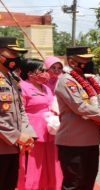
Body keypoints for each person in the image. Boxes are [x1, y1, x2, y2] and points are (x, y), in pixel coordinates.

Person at [55, 46, 100, 190]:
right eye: (85, 60)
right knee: (74, 184)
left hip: (91, 141)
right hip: (73, 143)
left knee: (88, 182)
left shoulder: (87, 81)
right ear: (72, 62)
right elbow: (80, 107)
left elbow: (97, 105)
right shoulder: (67, 81)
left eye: (90, 59)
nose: (89, 63)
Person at [17, 59, 62, 190]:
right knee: (33, 166)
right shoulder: (22, 87)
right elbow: (20, 111)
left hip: (50, 130)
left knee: (52, 164)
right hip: (33, 133)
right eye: (41, 70)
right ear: (30, 73)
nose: (45, 73)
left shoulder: (46, 87)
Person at [0, 37, 35, 190]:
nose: (15, 57)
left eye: (17, 53)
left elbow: (21, 109)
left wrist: (27, 133)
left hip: (13, 147)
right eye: (12, 53)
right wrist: (17, 136)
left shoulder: (13, 78)